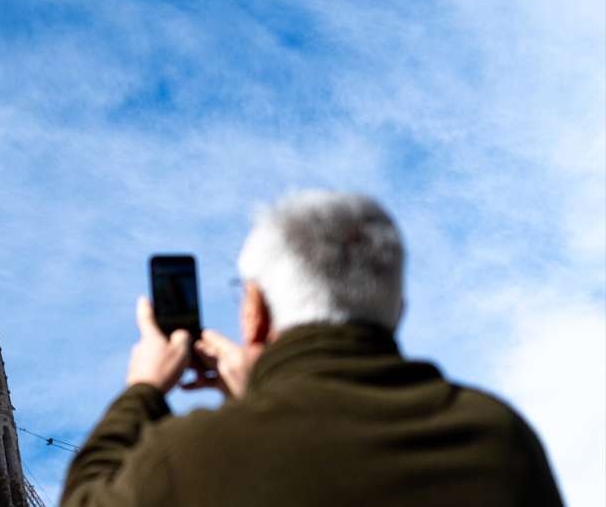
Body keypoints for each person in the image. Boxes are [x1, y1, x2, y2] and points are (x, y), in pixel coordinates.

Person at [60, 191, 563, 507]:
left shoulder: (188, 456)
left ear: (255, 312)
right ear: (398, 308)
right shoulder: (499, 439)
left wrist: (143, 391)